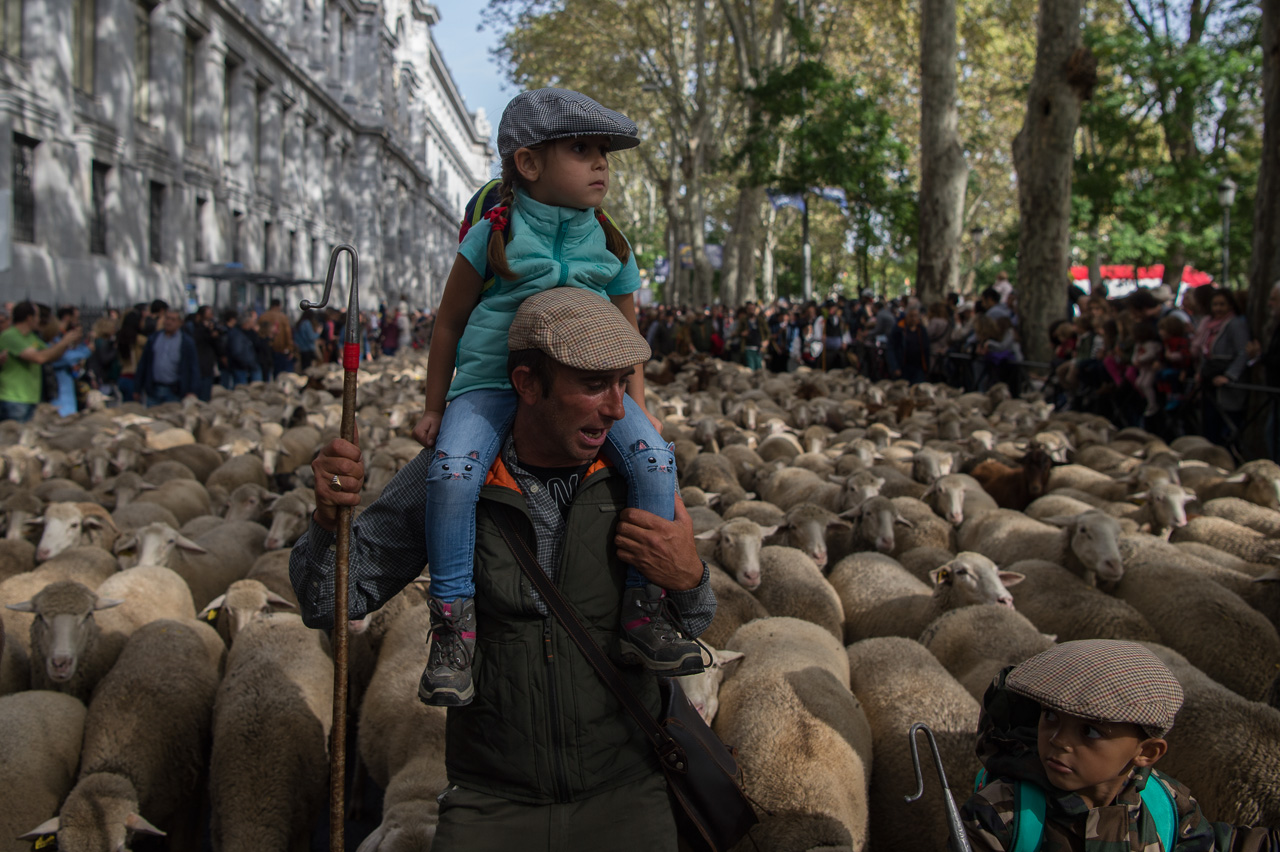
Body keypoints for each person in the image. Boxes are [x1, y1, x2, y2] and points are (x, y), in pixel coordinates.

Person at [290, 289, 714, 850]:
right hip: (490, 805)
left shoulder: (637, 479)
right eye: (592, 385)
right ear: (528, 383)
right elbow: (328, 601)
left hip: (628, 797)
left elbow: (696, 622)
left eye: (620, 383)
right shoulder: (448, 477)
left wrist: (690, 577)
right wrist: (326, 521)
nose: (617, 408)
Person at [407, 89, 702, 707]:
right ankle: (453, 630)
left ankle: (644, 612)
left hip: (587, 393)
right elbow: (449, 324)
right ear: (529, 163)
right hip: (490, 383)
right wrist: (436, 405)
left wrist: (639, 411)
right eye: (580, 149)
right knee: (453, 473)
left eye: (604, 152)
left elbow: (630, 341)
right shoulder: (493, 236)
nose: (601, 163)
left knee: (655, 459)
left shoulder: (611, 242)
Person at [961, 639, 1280, 851]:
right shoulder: (999, 815)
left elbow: (1216, 845)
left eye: (1090, 731)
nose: (1059, 740)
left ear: (1147, 752)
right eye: (1050, 716)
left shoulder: (1166, 806)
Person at [0, 301, 85, 422]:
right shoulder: (10, 336)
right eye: (37, 316)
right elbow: (39, 358)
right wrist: (63, 342)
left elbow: (52, 355)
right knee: (15, 440)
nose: (39, 320)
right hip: (14, 398)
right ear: (29, 318)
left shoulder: (31, 337)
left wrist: (68, 343)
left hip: (30, 398)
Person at [1197, 289, 1250, 448]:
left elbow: (1243, 352)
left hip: (1227, 385)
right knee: (1210, 424)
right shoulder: (1210, 326)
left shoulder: (1235, 324)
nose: (1218, 308)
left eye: (1222, 304)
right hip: (1210, 379)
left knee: (1227, 426)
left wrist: (1229, 375)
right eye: (1215, 304)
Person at [136, 309, 200, 405]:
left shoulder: (186, 342)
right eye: (167, 318)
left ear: (180, 322)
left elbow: (193, 367)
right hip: (154, 390)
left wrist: (192, 390)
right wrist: (137, 388)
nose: (169, 322)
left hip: (174, 392)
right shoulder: (154, 338)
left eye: (173, 320)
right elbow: (144, 363)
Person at [48, 306, 93, 417]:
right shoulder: (53, 340)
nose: (77, 321)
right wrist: (86, 351)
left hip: (67, 390)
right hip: (58, 393)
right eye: (76, 318)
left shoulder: (59, 339)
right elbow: (62, 358)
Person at [887, 305, 930, 384]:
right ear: (906, 316)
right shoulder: (898, 329)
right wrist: (895, 367)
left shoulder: (921, 330)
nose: (913, 319)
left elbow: (926, 348)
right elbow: (891, 348)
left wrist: (926, 367)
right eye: (911, 316)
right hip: (903, 367)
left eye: (916, 316)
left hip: (918, 368)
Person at [258, 298, 296, 376]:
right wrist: (290, 348)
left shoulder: (263, 316)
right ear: (279, 306)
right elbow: (288, 334)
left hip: (265, 348)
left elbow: (259, 332)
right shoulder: (283, 317)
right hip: (280, 349)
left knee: (267, 373)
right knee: (281, 374)